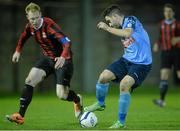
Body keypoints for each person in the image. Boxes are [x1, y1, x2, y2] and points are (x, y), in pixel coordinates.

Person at [6, 2, 83, 124]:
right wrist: (17, 51)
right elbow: (23, 37)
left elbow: (67, 42)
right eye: (32, 18)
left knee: (62, 95)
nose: (35, 21)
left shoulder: (49, 26)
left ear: (40, 14)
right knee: (29, 80)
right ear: (27, 17)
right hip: (48, 59)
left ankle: (77, 99)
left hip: (64, 60)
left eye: (37, 18)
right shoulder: (30, 27)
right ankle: (20, 116)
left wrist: (62, 57)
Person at [84, 5, 152, 128]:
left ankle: (121, 122)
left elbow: (127, 33)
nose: (109, 24)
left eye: (109, 20)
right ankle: (100, 103)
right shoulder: (120, 27)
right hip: (126, 60)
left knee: (124, 85)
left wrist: (106, 28)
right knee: (104, 77)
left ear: (115, 16)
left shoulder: (131, 20)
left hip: (142, 64)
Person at [153, 3, 180, 107]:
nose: (167, 13)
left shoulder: (177, 24)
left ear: (173, 13)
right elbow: (160, 37)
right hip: (165, 52)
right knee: (164, 76)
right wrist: (156, 44)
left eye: (169, 11)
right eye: (166, 11)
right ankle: (162, 101)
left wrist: (178, 38)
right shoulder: (161, 24)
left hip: (177, 52)